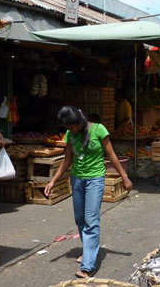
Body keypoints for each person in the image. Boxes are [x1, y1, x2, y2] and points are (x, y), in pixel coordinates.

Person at [45, 106, 132, 278]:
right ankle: (89, 250)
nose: (70, 130)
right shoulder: (70, 135)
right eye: (67, 128)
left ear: (79, 121)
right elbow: (67, 159)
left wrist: (124, 177)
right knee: (80, 218)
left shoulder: (99, 129)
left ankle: (87, 265)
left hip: (95, 179)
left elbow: (112, 155)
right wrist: (53, 180)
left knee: (91, 219)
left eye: (72, 126)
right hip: (77, 179)